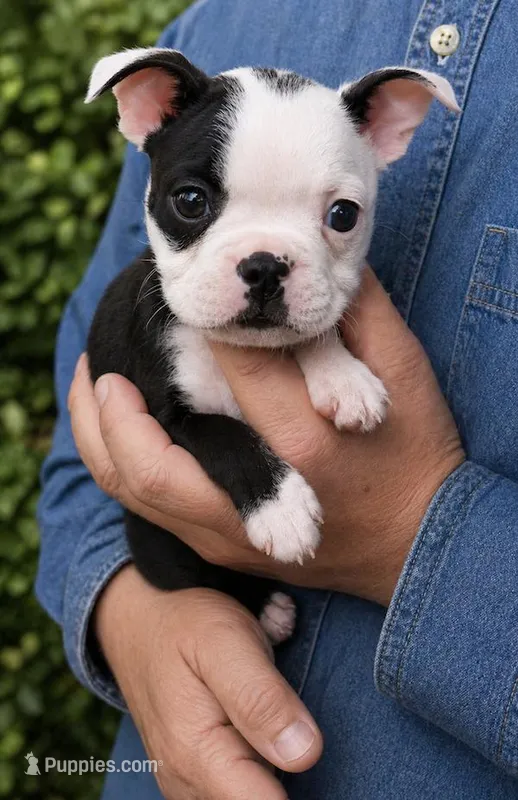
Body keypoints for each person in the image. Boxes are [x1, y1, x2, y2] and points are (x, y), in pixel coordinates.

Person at [37, 0, 518, 797]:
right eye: (197, 205)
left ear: (388, 131)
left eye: (335, 218)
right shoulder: (215, 26)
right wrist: (131, 614)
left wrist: (411, 536)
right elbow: (82, 435)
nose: (263, 264)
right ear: (143, 105)